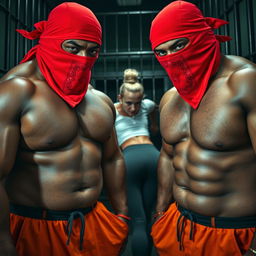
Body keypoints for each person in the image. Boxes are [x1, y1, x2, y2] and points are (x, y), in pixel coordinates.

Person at [0, 3, 129, 256]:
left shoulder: (99, 99)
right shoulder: (16, 91)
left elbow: (113, 158)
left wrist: (122, 215)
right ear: (50, 40)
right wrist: (3, 241)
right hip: (35, 228)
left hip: (94, 224)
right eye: (73, 47)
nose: (82, 58)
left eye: (92, 51)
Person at [149, 1, 256, 256]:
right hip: (178, 227)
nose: (171, 57)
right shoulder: (169, 98)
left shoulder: (244, 81)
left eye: (178, 45)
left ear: (203, 35)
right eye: (161, 52)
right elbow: (167, 156)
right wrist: (160, 212)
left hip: (235, 232)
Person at [114, 68, 160, 256]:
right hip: (150, 157)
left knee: (140, 220)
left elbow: (154, 109)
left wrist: (154, 123)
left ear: (143, 99)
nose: (134, 109)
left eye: (138, 103)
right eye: (129, 103)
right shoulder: (110, 109)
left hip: (138, 158)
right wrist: (154, 124)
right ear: (119, 97)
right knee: (145, 219)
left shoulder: (145, 105)